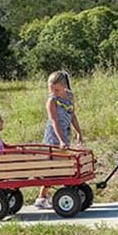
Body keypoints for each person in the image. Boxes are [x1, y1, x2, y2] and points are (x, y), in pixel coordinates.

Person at [34, 70, 83, 209]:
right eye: (51, 89)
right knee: (54, 168)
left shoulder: (69, 97)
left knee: (61, 166)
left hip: (65, 135)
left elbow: (73, 116)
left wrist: (78, 132)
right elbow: (54, 121)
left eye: (56, 89)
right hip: (54, 137)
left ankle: (45, 196)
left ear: (64, 86)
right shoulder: (52, 101)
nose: (53, 92)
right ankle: (42, 197)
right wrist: (60, 140)